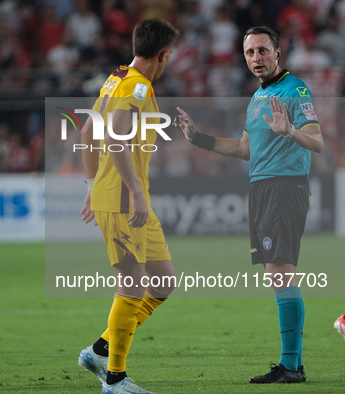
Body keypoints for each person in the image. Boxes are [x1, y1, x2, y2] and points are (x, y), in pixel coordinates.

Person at [175, 26, 323, 384]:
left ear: (278, 52)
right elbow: (245, 149)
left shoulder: (294, 89)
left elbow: (317, 142)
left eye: (262, 50)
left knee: (280, 273)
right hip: (261, 188)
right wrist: (200, 139)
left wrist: (290, 131)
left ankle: (291, 366)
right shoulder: (258, 96)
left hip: (283, 188)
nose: (256, 58)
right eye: (249, 53)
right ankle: (293, 365)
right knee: (278, 274)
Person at [78, 19, 179, 394]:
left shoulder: (115, 78)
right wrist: (134, 192)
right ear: (164, 55)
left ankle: (101, 349)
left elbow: (89, 130)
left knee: (164, 281)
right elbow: (116, 136)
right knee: (132, 286)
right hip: (123, 200)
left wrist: (91, 184)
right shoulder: (138, 85)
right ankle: (115, 381)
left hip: (122, 195)